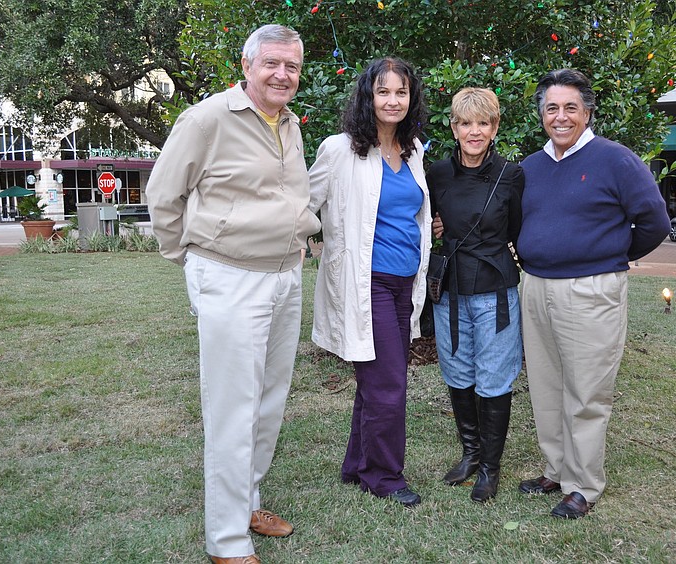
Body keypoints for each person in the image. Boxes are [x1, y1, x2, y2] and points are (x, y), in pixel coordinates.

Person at [146, 25, 321, 564]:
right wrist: (192, 260)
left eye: (292, 66)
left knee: (268, 401)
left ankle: (247, 503)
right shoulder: (206, 120)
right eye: (272, 63)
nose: (282, 75)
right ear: (246, 66)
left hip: (284, 275)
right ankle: (226, 541)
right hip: (229, 276)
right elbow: (163, 196)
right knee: (232, 408)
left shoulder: (289, 123)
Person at [516, 69, 670, 519]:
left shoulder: (616, 159)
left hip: (591, 291)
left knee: (587, 392)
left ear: (587, 112)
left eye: (570, 107)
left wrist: (609, 254)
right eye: (551, 108)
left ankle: (583, 485)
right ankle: (556, 469)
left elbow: (655, 222)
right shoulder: (530, 167)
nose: (560, 117)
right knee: (546, 386)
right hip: (536, 287)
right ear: (541, 114)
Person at [308, 57, 431, 507]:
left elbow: (412, 211)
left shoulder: (414, 149)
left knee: (380, 376)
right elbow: (304, 203)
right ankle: (383, 476)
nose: (392, 101)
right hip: (366, 283)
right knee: (388, 382)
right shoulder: (340, 150)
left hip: (404, 283)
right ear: (368, 96)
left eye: (401, 92)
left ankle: (357, 464)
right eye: (383, 92)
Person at [425, 87, 524, 503]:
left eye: (483, 123)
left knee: (494, 376)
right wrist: (435, 227)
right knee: (457, 371)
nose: (474, 131)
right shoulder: (437, 174)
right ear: (454, 128)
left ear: (495, 127)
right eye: (466, 123)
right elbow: (429, 221)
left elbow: (515, 229)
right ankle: (471, 453)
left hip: (494, 291)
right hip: (450, 290)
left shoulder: (511, 175)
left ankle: (490, 468)